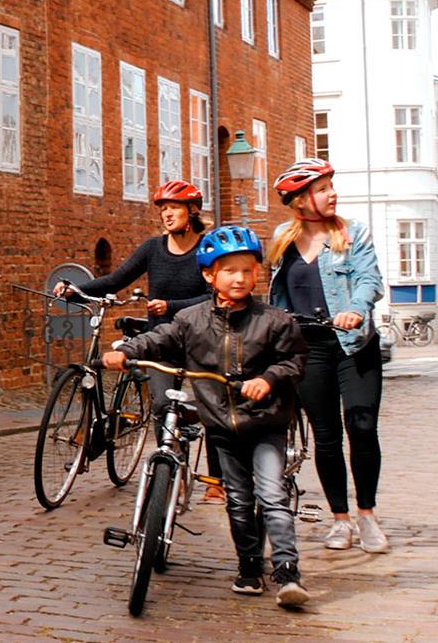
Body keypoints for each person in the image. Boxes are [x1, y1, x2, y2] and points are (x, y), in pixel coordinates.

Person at [102, 225, 311, 608]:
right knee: (237, 498)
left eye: (247, 270)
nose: (240, 278)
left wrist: (268, 378)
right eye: (230, 270)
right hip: (222, 425)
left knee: (272, 494)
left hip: (265, 423)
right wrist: (127, 351)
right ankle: (249, 567)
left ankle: (286, 571)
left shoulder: (274, 320)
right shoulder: (192, 320)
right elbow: (159, 339)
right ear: (209, 275)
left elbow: (294, 361)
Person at [54, 180, 224, 503]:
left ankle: (217, 480)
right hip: (162, 341)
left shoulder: (206, 248)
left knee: (210, 406)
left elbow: (212, 296)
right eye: (163, 209)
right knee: (162, 404)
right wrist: (76, 290)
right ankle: (171, 473)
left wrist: (170, 306)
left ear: (191, 211)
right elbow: (116, 280)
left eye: (173, 208)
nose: (167, 215)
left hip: (201, 338)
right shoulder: (152, 249)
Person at [268, 158, 389, 554]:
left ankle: (367, 515)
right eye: (322, 188)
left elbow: (370, 279)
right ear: (301, 200)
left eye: (330, 186)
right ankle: (341, 519)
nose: (332, 193)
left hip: (353, 344)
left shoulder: (352, 234)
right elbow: (277, 295)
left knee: (362, 425)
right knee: (326, 436)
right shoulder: (283, 238)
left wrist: (355, 307)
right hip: (309, 348)